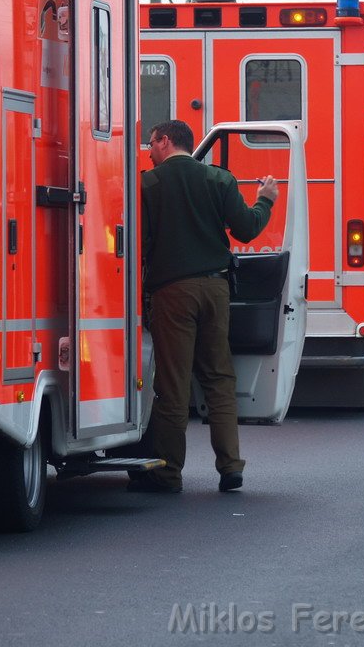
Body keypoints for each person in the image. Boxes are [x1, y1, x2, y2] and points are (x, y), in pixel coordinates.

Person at [135, 119, 279, 494]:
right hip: (216, 290)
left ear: (165, 141)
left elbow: (139, 244)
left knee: (173, 385)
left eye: (151, 143)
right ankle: (230, 468)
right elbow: (247, 229)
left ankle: (168, 474)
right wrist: (266, 200)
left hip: (171, 293)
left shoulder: (148, 186)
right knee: (219, 379)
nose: (148, 152)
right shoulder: (219, 180)